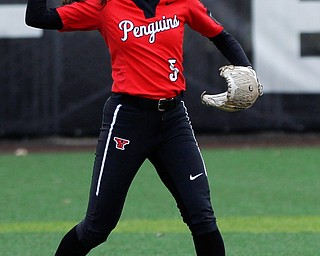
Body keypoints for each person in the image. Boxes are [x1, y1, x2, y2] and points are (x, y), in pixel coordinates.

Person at [25, 0, 253, 255]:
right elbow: (38, 18)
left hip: (173, 121)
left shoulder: (183, 3)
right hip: (127, 120)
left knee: (202, 217)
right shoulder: (106, 6)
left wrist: (247, 70)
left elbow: (220, 35)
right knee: (97, 227)